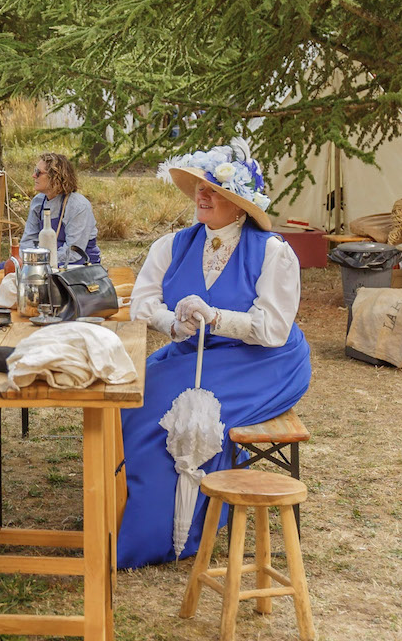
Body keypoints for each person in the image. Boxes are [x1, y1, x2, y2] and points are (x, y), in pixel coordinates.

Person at [118, 140, 311, 569]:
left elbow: (272, 329)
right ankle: (117, 508)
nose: (203, 196)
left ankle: (163, 534)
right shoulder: (172, 246)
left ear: (240, 206)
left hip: (265, 362)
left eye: (216, 191)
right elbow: (143, 304)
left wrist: (217, 318)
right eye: (200, 189)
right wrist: (174, 323)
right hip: (193, 352)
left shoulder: (274, 252)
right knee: (127, 399)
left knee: (166, 417)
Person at [21, 152, 101, 266]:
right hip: (42, 262)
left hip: (77, 265)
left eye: (38, 172)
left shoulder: (78, 206)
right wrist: (26, 260)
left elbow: (73, 251)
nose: (33, 176)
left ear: (55, 177)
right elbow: (28, 240)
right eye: (35, 170)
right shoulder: (38, 202)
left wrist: (40, 262)